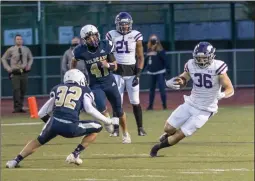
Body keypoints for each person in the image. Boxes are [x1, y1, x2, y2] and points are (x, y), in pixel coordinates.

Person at [6, 69, 114, 168]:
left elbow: (41, 113)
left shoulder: (57, 88)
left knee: (38, 141)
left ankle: (15, 161)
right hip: (71, 126)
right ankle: (75, 154)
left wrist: (51, 124)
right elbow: (89, 109)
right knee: (97, 127)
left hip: (54, 123)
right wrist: (108, 121)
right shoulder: (84, 90)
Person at [150, 42, 234, 157]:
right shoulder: (191, 64)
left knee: (180, 134)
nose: (201, 61)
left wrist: (223, 95)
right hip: (191, 103)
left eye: (204, 58)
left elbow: (230, 89)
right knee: (168, 128)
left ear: (211, 56)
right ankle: (168, 136)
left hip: (206, 109)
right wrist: (177, 82)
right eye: (199, 58)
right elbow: (184, 78)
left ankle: (156, 149)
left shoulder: (218, 67)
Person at [71, 24, 131, 144]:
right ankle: (107, 120)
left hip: (109, 82)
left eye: (94, 36)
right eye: (89, 38)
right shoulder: (80, 50)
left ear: (97, 35)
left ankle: (125, 133)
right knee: (101, 107)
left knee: (119, 110)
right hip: (95, 84)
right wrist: (73, 73)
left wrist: (108, 65)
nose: (92, 39)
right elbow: (73, 62)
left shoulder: (106, 45)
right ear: (84, 40)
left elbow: (115, 66)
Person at [105, 12, 146, 137]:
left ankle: (140, 128)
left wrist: (138, 75)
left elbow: (140, 57)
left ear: (130, 24)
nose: (124, 27)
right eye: (121, 24)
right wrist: (112, 64)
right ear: (117, 24)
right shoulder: (111, 35)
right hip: (117, 72)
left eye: (126, 24)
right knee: (118, 101)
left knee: (135, 101)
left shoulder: (136, 36)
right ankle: (116, 129)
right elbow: (108, 53)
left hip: (132, 72)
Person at [1, 34, 34, 113]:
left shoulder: (26, 49)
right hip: (15, 72)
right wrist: (8, 68)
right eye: (17, 39)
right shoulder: (11, 49)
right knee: (16, 90)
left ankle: (20, 107)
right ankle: (16, 108)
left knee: (23, 90)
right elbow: (3, 58)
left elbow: (31, 58)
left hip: (24, 72)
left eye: (20, 39)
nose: (19, 40)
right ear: (15, 41)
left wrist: (29, 65)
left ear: (22, 40)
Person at [144, 34, 170, 110]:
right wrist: (141, 70)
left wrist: (168, 69)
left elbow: (165, 60)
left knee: (162, 90)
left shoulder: (160, 50)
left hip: (160, 72)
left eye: (154, 41)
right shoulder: (148, 50)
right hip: (151, 73)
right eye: (152, 41)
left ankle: (164, 106)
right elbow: (146, 61)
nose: (153, 42)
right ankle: (150, 106)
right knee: (151, 91)